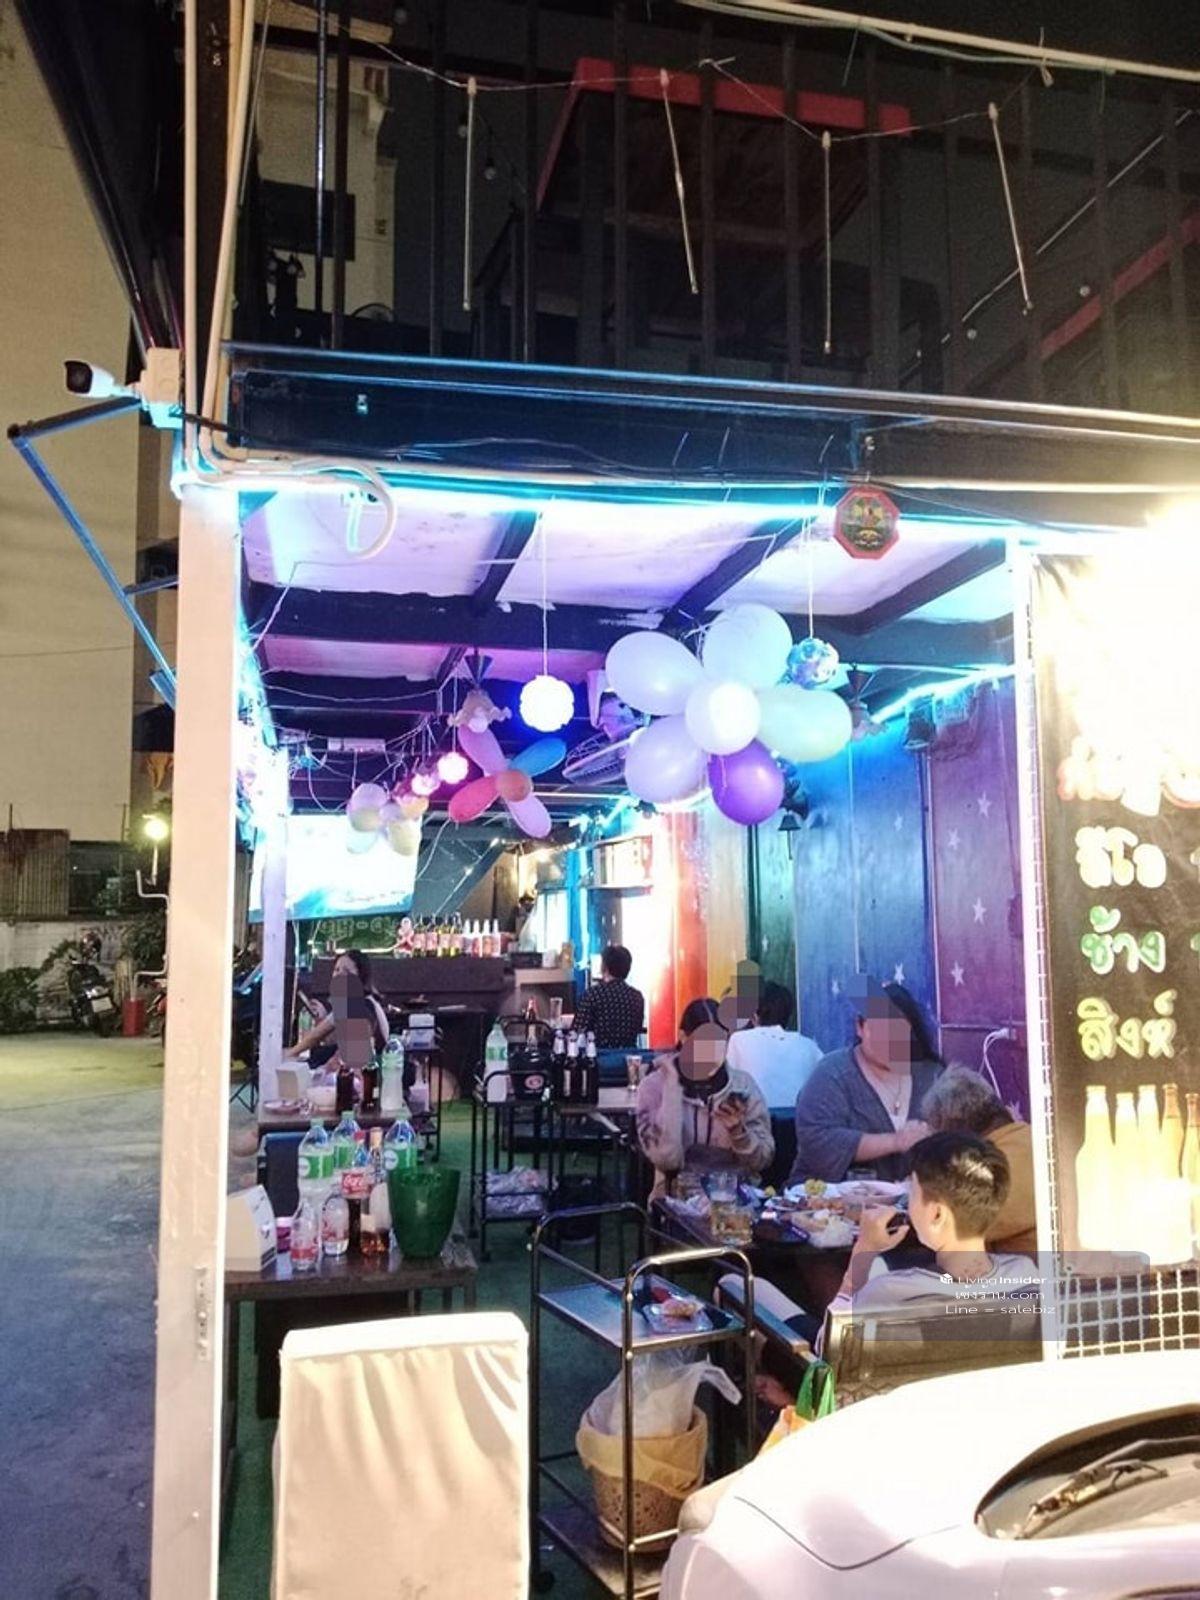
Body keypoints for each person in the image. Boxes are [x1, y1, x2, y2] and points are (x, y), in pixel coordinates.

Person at [819, 1131, 1035, 1344]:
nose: (907, 1204)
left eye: (911, 1192)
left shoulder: (888, 1293)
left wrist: (863, 1253)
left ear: (937, 1215)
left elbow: (827, 1348)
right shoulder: (1026, 1274)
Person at [790, 980, 942, 1184]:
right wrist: (895, 1141)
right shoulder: (831, 1074)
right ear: (859, 1027)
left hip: (915, 1200)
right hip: (828, 1199)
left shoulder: (932, 1077)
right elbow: (818, 1142)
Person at [637, 998, 774, 1197]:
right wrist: (672, 1093)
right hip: (676, 1198)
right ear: (683, 1038)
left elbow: (763, 1160)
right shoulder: (654, 1087)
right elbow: (667, 1161)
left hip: (737, 1199)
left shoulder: (742, 1087)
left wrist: (739, 1134)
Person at [921, 1065, 1037, 1256]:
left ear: (952, 1128)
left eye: (935, 1132)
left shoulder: (990, 1170)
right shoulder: (1030, 1137)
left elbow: (942, 1232)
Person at [725, 980, 821, 1109]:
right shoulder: (809, 1046)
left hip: (757, 1118)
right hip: (798, 1118)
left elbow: (726, 1087)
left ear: (754, 1016)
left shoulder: (738, 1040)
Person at [285, 949, 389, 1063]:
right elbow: (327, 1037)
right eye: (336, 970)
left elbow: (316, 1037)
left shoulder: (360, 1005)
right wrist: (322, 1018)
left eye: (347, 971)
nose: (339, 974)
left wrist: (288, 1055)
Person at [571, 944, 645, 1049]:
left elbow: (577, 1031)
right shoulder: (637, 997)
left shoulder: (593, 994)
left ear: (604, 967)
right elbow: (638, 1028)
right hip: (628, 1056)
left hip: (598, 1055)